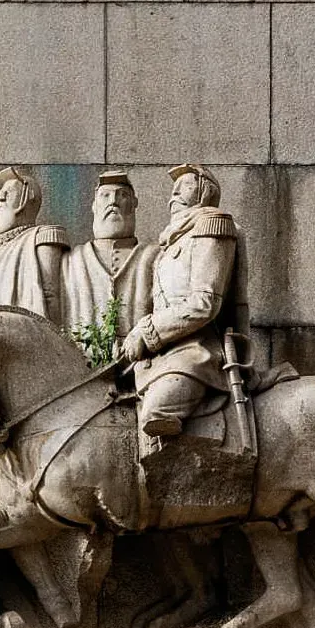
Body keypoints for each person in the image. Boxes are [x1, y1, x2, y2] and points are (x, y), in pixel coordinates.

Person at [122, 164, 242, 438]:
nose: (174, 192)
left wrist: (149, 331)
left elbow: (205, 303)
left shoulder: (212, 225)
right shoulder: (171, 241)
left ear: (204, 191)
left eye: (186, 184)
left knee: (156, 412)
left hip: (196, 352)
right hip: (162, 355)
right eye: (175, 187)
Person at [61, 171, 158, 340]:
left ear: (134, 203)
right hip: (80, 360)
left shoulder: (155, 256)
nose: (113, 201)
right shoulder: (70, 261)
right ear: (94, 206)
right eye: (105, 195)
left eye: (122, 195)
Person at [0, 167, 68, 317]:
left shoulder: (42, 238)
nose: (1, 200)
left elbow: (50, 300)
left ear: (26, 198)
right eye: (0, 195)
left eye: (8, 194)